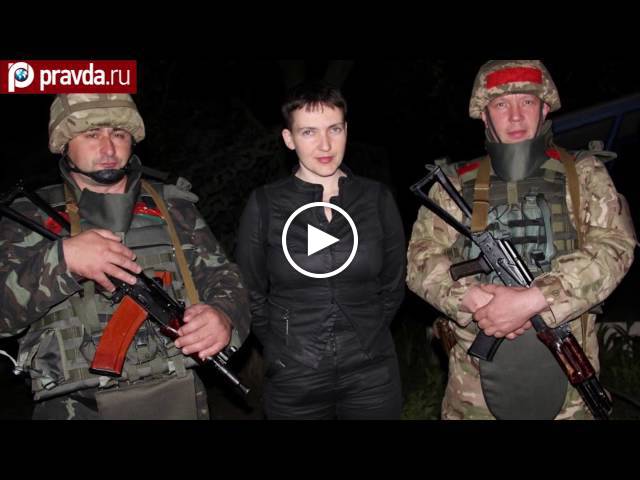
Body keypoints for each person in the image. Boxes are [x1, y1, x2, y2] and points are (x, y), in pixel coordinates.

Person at [406, 60, 637, 420]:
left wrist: (534, 299)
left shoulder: (584, 174)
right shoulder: (453, 184)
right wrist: (473, 299)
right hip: (472, 387)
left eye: (526, 102)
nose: (515, 116)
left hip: (568, 375)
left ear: (544, 109)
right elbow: (419, 260)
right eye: (501, 104)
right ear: (485, 115)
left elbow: (615, 246)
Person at [0, 93, 250, 419]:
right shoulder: (29, 215)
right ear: (64, 143)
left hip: (176, 398)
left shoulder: (171, 205)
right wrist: (62, 262)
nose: (108, 149)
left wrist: (223, 316)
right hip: (75, 409)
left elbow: (225, 278)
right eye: (92, 134)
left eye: (118, 134)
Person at [236, 81, 406, 419]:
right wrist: (281, 347)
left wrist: (369, 331)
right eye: (309, 132)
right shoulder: (265, 203)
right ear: (289, 139)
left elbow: (394, 282)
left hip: (372, 370)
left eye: (334, 129)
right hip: (295, 374)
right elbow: (249, 290)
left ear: (346, 131)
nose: (325, 144)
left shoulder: (376, 198)